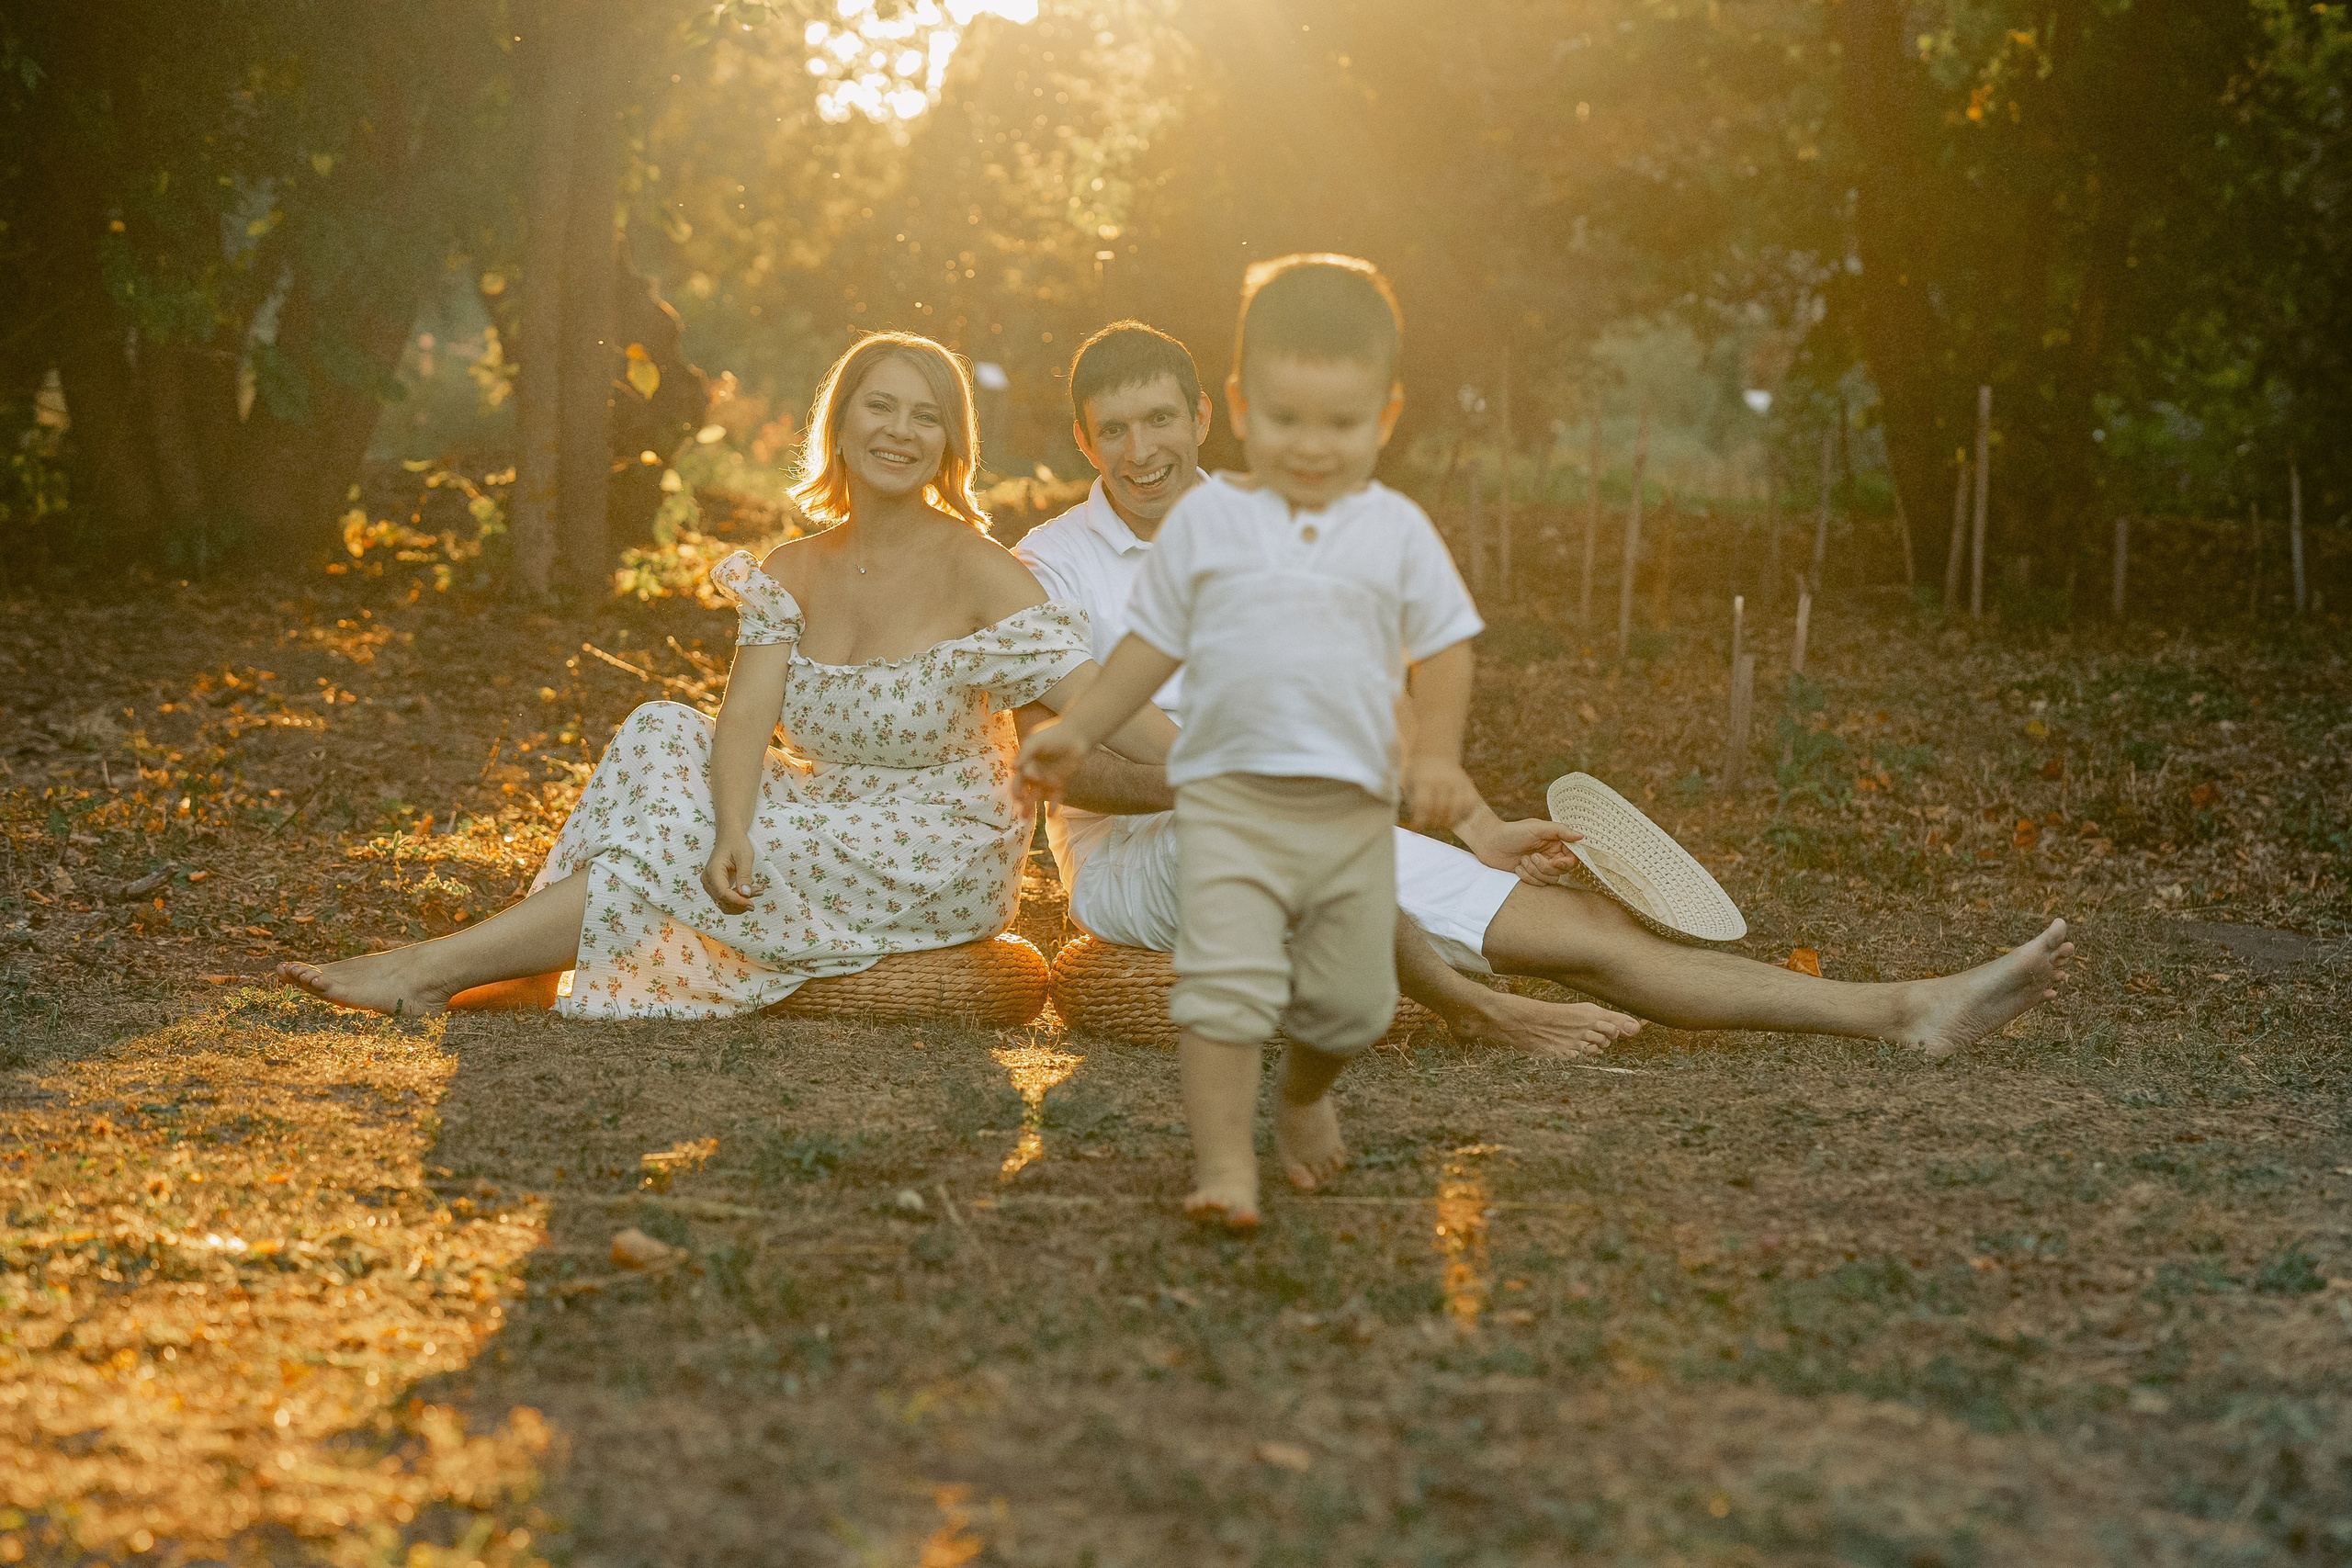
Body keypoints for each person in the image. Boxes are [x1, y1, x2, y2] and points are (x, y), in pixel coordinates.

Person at [1017, 321, 2076, 1062]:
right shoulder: (1049, 564)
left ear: (1201, 413)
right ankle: (1484, 1015)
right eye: (1114, 430)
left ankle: (1903, 1010)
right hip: (1140, 863)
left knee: (1582, 931)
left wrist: (1475, 825)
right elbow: (1079, 768)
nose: (1141, 450)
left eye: (1159, 418)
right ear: (1082, 440)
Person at [279, 332, 1170, 1019]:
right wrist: (733, 826)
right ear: (841, 421)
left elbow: (1104, 706)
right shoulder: (792, 567)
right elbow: (744, 719)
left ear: (949, 443)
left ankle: (426, 969)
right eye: (879, 407)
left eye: (925, 415)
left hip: (936, 838)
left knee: (671, 842)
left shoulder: (981, 570)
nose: (898, 431)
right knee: (661, 729)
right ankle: (536, 958)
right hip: (826, 804)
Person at [1019, 254, 1482, 1228]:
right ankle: (1225, 1166)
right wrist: (1080, 729)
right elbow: (1148, 650)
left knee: (1354, 1003)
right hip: (1227, 814)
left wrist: (1434, 757)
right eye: (1283, 422)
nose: (1310, 448)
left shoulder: (1388, 531)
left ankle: (1307, 1092)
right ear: (1234, 407)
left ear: (1385, 419)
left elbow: (1441, 648)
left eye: (1340, 426)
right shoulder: (1213, 523)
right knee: (1224, 995)